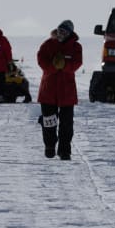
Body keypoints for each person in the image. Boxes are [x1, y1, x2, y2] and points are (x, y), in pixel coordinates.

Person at [36, 19, 83, 160]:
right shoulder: (48, 44)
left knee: (66, 124)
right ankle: (50, 146)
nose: (61, 33)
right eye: (59, 30)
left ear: (69, 33)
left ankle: (64, 151)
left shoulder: (76, 47)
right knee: (49, 121)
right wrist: (54, 67)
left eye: (64, 31)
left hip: (67, 92)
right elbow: (41, 61)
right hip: (48, 91)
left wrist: (64, 65)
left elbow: (77, 63)